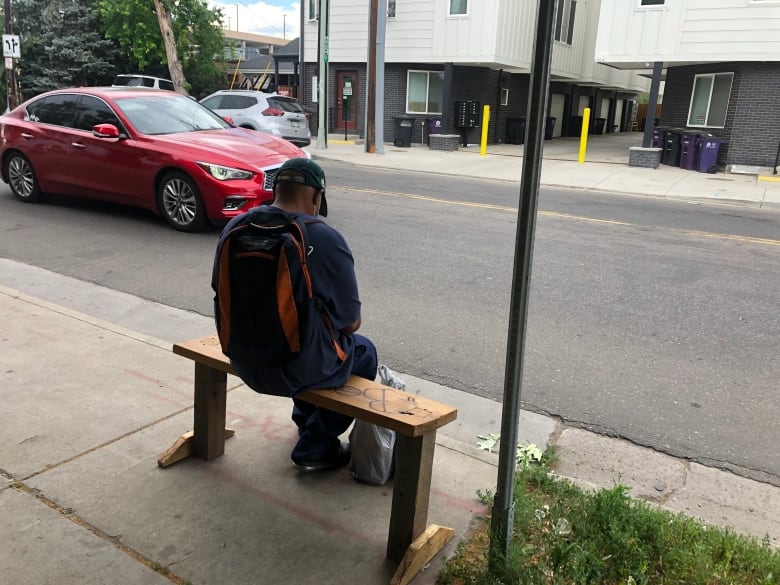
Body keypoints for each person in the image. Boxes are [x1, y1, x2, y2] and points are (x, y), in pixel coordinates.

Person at [215, 158, 378, 472]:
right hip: (293, 370)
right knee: (363, 351)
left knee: (310, 341)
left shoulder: (235, 227)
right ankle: (316, 443)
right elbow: (350, 322)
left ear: (277, 189)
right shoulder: (324, 237)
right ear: (316, 197)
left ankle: (305, 420)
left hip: (242, 359)